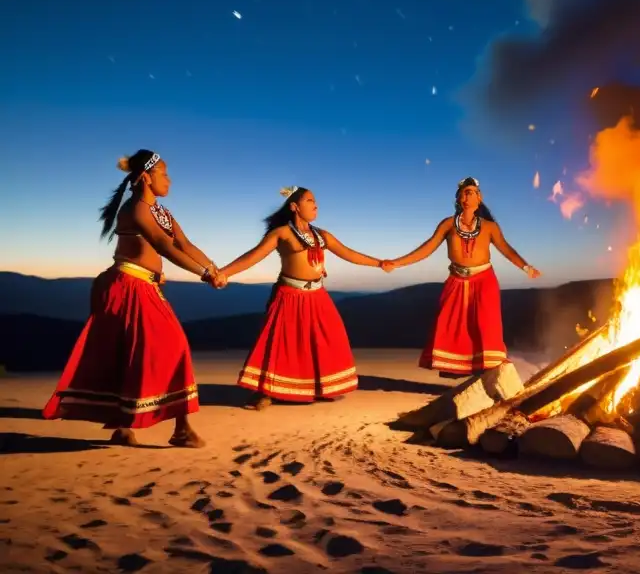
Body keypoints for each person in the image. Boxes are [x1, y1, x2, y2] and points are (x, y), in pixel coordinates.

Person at [42, 151, 220, 447]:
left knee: (134, 354)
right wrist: (204, 274)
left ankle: (127, 427)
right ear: (146, 177)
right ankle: (181, 429)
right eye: (163, 173)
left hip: (145, 287)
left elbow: (184, 244)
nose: (169, 179)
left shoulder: (162, 212)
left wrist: (213, 268)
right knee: (173, 346)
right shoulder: (136, 209)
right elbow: (163, 245)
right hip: (126, 287)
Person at [218, 186, 391, 410]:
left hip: (317, 295)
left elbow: (349, 253)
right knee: (279, 343)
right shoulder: (282, 233)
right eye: (310, 201)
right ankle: (265, 392)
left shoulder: (321, 235)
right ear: (295, 207)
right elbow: (253, 256)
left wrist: (379, 263)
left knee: (327, 338)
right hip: (289, 295)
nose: (315, 205)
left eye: (315, 201)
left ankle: (318, 387)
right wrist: (224, 273)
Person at [388, 177, 541, 378]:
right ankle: (456, 369)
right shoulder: (448, 224)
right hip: (457, 281)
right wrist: (397, 263)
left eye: (471, 192)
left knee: (486, 326)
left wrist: (526, 267)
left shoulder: (489, 227)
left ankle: (490, 372)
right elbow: (426, 249)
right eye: (463, 192)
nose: (466, 196)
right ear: (458, 198)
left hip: (484, 280)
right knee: (450, 324)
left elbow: (506, 249)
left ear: (479, 197)